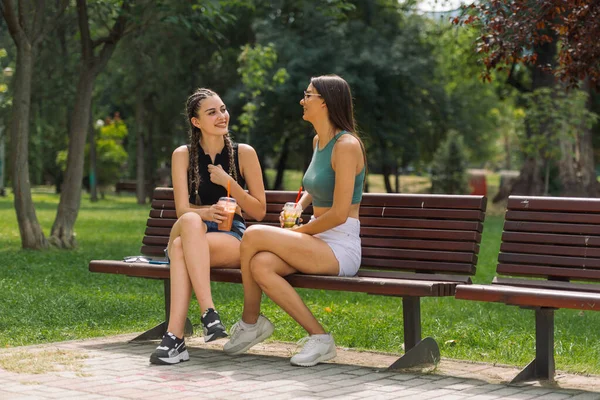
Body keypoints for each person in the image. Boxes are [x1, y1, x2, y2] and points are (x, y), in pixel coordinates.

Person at [223, 74, 367, 367]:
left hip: (341, 246)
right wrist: (300, 205)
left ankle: (250, 323)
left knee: (252, 236)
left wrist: (301, 229)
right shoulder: (319, 141)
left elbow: (339, 213)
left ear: (325, 102)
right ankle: (319, 338)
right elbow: (318, 186)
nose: (302, 100)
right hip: (318, 239)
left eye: (308, 95)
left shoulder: (347, 145)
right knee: (260, 263)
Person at [150, 88, 266, 365]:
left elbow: (259, 211)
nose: (221, 116)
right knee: (190, 221)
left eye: (223, 109)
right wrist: (206, 212)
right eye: (212, 112)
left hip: (229, 235)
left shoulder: (244, 154)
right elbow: (182, 210)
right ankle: (209, 312)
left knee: (180, 250)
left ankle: (174, 339)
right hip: (191, 228)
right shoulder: (183, 155)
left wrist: (229, 182)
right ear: (196, 122)